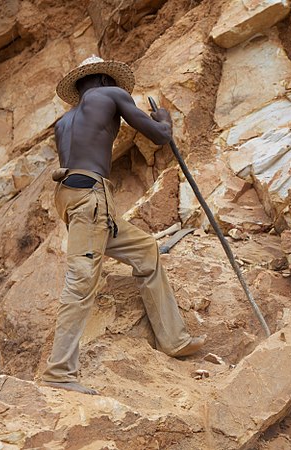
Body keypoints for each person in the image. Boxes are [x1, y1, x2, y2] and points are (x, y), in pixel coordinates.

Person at [42, 55, 205, 395]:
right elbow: (159, 135)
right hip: (92, 198)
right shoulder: (111, 95)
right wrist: (164, 118)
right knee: (81, 280)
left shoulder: (63, 121)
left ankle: (173, 340)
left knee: (146, 249)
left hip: (72, 198)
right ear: (104, 80)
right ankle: (59, 372)